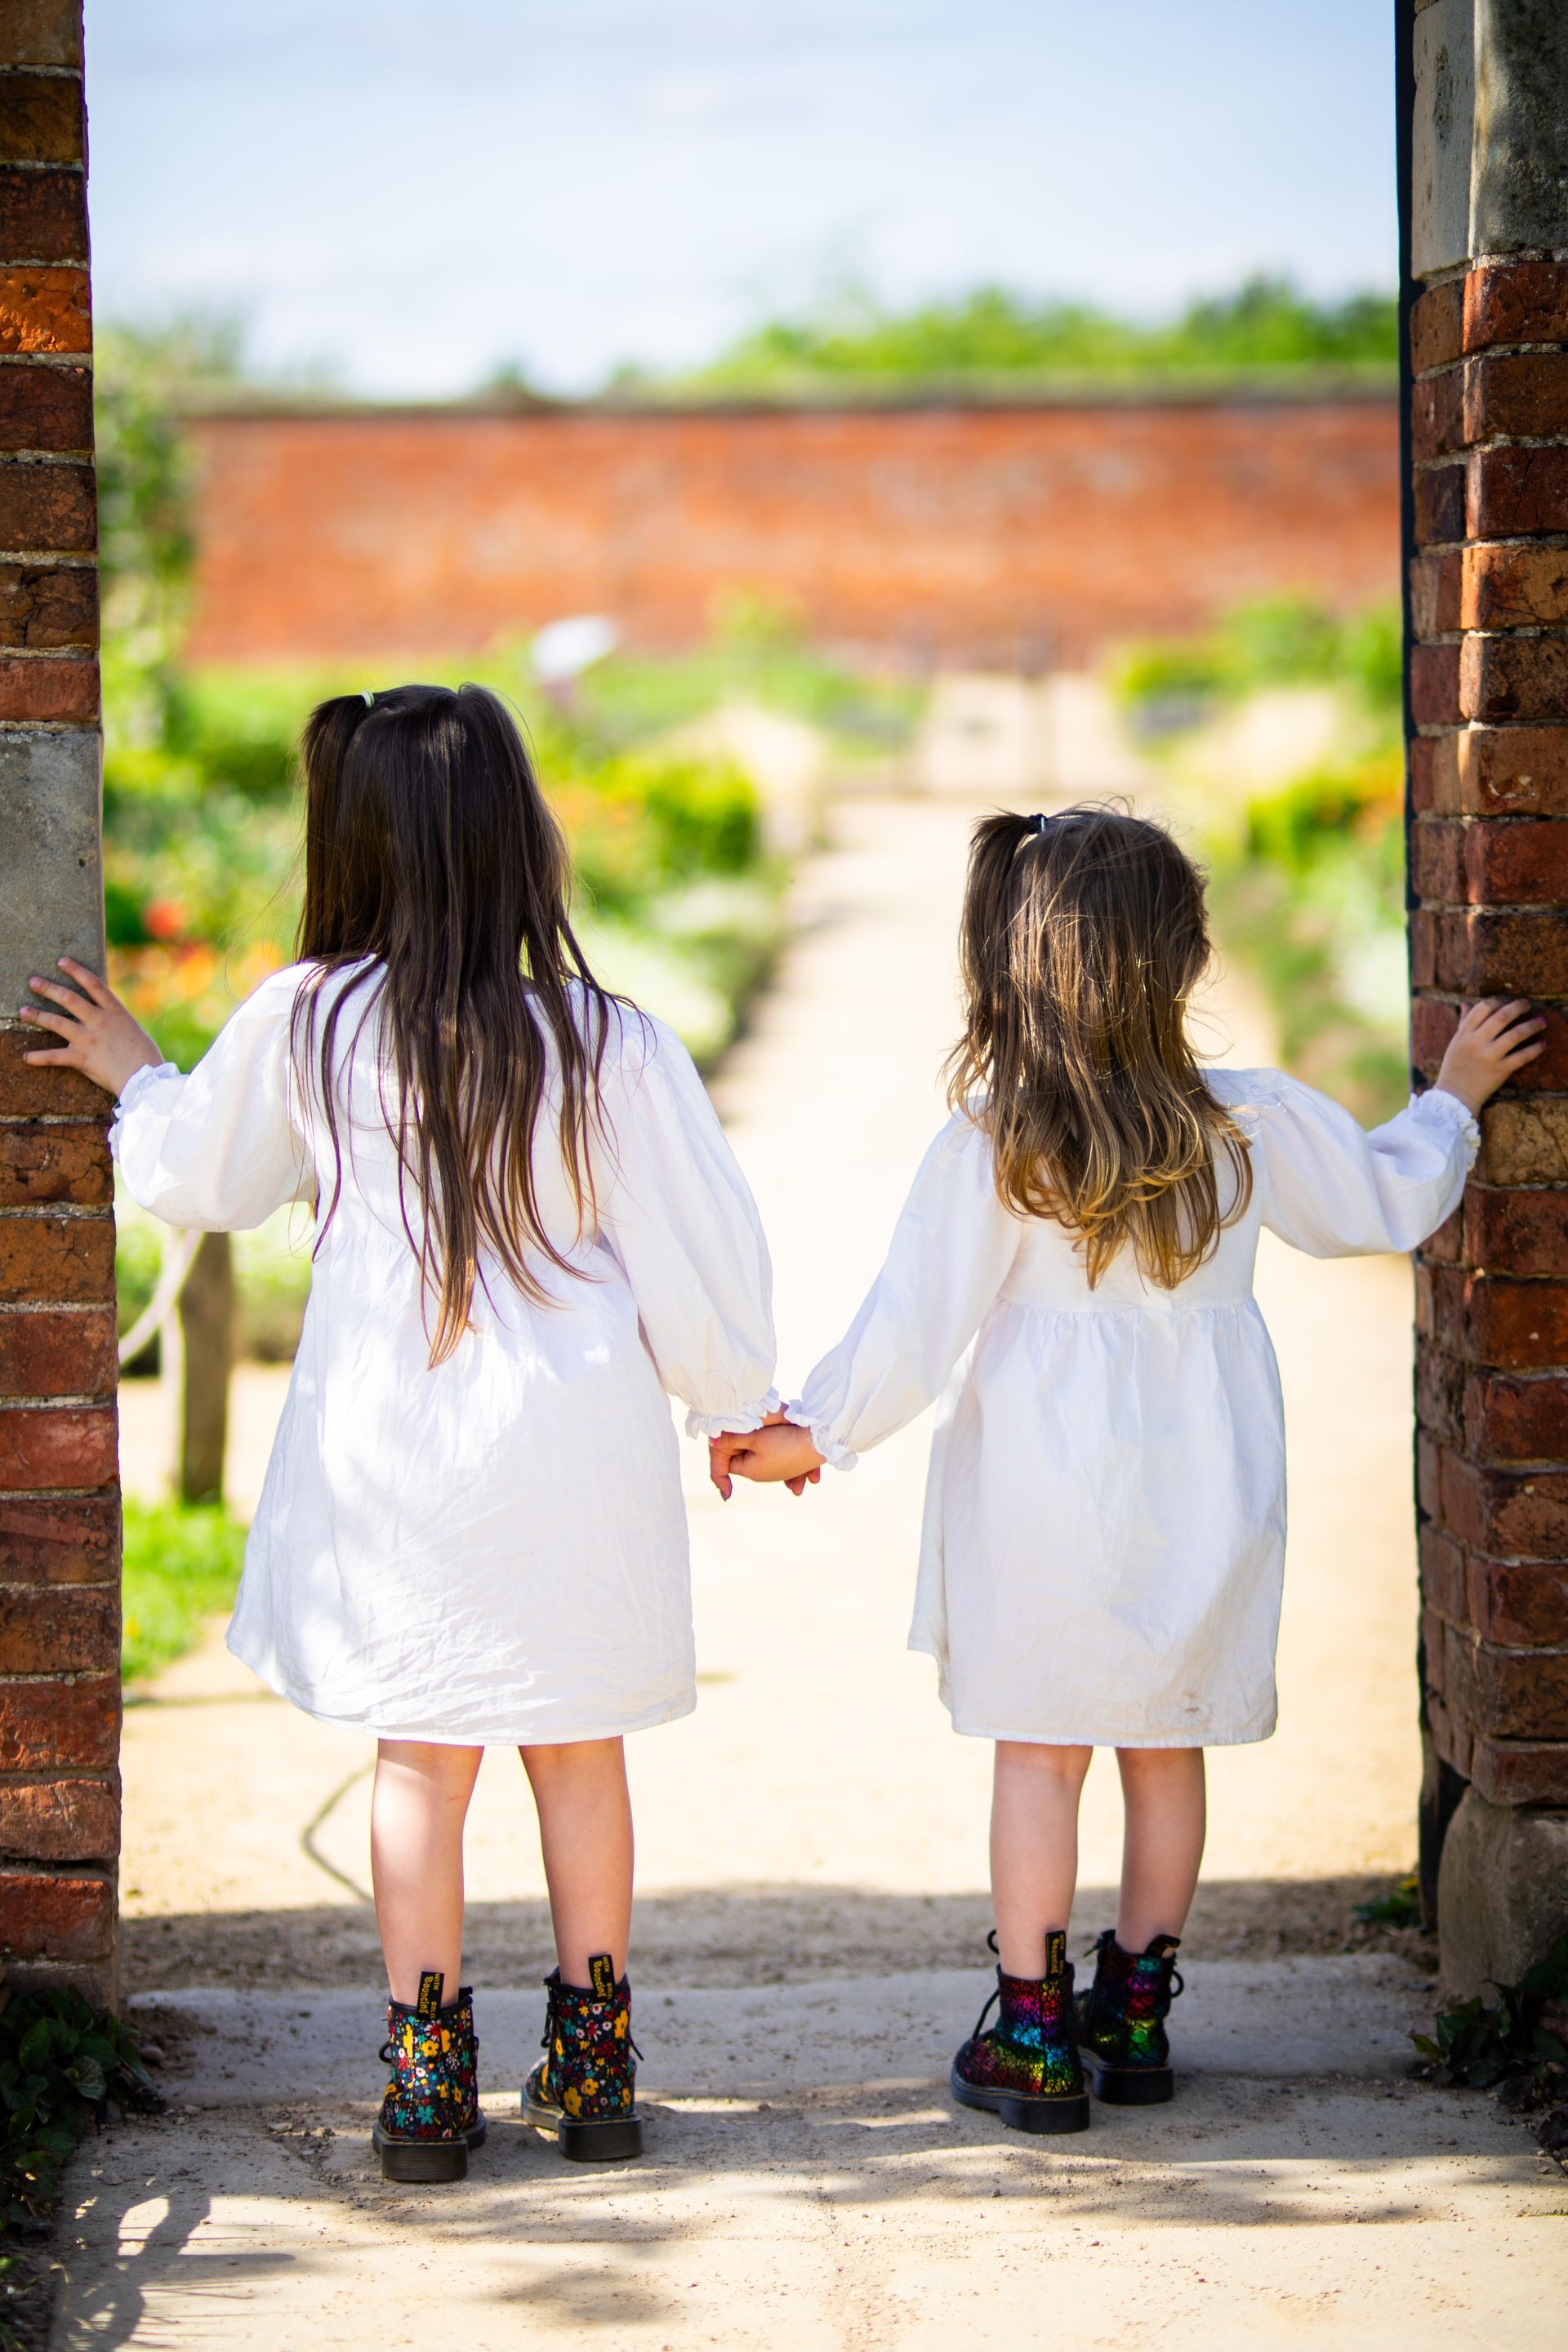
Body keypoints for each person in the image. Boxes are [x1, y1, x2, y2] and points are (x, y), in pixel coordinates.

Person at [23, 684, 778, 2182]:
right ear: (519, 841)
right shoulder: (609, 1042)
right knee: (579, 1759)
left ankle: (427, 2082)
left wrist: (138, 1073)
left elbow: (199, 1174)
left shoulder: (310, 1019)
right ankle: (594, 2056)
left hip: (404, 1467)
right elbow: (701, 1252)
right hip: (573, 1460)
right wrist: (737, 1404)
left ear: (359, 842)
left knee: (419, 1770)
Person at [708, 804, 1540, 2136]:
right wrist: (1451, 1105)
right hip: (1203, 1491)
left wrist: (814, 1431)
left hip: (1038, 1502)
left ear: (1015, 968)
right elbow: (1387, 1201)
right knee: (1166, 1747)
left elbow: (910, 1330)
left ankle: (1034, 2036)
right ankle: (1138, 2017)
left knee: (1039, 1756)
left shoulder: (995, 1142)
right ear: (1181, 959)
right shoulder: (1249, 1122)